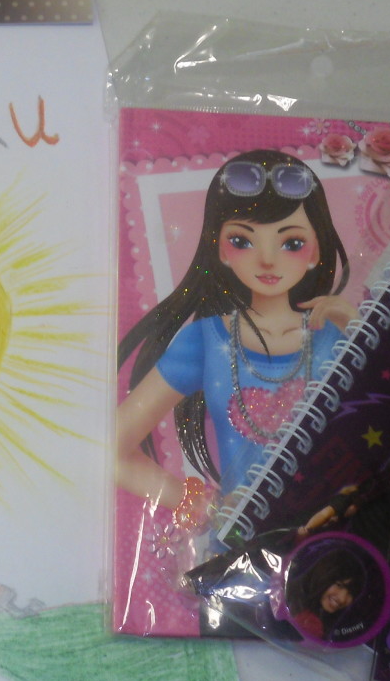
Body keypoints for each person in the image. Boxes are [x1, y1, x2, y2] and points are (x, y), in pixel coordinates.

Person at [117, 150, 358, 512]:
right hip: (245, 540)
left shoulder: (339, 336)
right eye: (242, 241)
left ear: (315, 253)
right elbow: (112, 448)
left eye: (291, 243)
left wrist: (359, 332)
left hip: (338, 533)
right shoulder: (205, 340)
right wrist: (206, 508)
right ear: (220, 250)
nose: (267, 259)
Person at [285, 547, 364, 642]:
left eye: (351, 593)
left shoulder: (341, 628)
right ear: (322, 575)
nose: (342, 598)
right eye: (339, 585)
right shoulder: (284, 598)